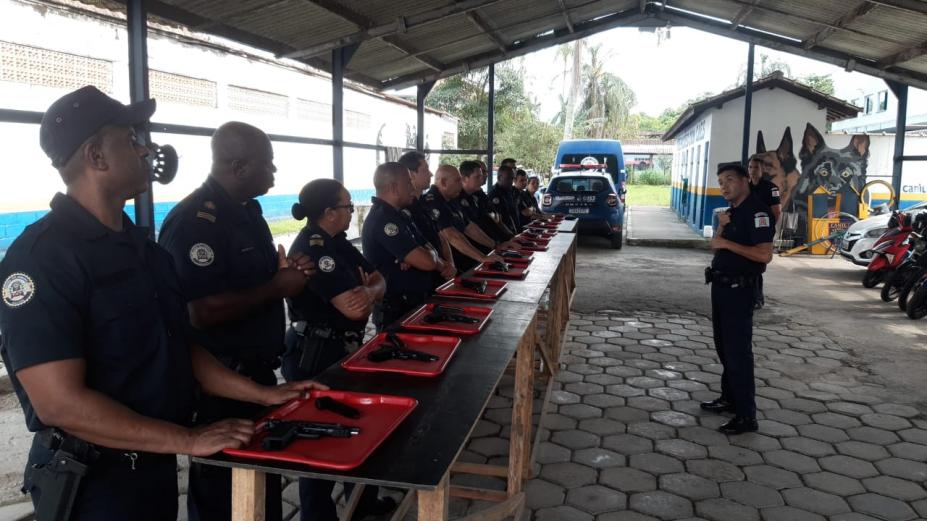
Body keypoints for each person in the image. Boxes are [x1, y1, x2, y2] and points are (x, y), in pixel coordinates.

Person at [0, 86, 324, 521]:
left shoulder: (142, 249)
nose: (147, 147)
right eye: (133, 138)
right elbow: (59, 404)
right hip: (93, 483)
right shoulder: (42, 259)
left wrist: (264, 393)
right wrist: (189, 440)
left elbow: (177, 345)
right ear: (97, 156)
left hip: (151, 463)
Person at [158, 121, 315, 521]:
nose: (275, 173)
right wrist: (275, 287)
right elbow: (201, 311)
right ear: (240, 166)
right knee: (223, 499)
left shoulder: (248, 213)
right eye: (269, 164)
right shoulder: (196, 221)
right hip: (219, 388)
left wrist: (284, 274)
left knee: (261, 492)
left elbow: (256, 282)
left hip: (257, 381)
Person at [283, 179, 393, 521]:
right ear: (329, 212)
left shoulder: (339, 243)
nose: (350, 211)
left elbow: (380, 279)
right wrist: (368, 290)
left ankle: (362, 507)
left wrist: (370, 290)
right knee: (318, 443)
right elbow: (354, 309)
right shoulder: (314, 248)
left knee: (357, 432)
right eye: (347, 206)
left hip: (343, 349)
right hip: (316, 354)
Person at [701, 163, 774, 435]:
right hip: (721, 288)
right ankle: (730, 398)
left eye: (730, 179)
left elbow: (764, 255)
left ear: (745, 181)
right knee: (724, 347)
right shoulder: (732, 213)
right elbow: (714, 245)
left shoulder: (758, 212)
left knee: (738, 353)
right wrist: (721, 230)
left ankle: (746, 416)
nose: (724, 185)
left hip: (739, 291)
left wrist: (726, 242)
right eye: (720, 181)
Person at [363, 162, 454, 330]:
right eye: (408, 183)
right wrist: (428, 257)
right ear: (394, 188)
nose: (412, 188)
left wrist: (426, 257)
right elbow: (427, 262)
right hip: (396, 311)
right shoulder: (384, 220)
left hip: (414, 303)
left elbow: (428, 247)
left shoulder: (402, 215)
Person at [422, 165, 505, 272]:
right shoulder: (433, 201)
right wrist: (482, 258)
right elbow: (451, 235)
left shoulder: (450, 199)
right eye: (457, 181)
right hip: (446, 267)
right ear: (443, 182)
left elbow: (469, 227)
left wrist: (495, 245)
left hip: (463, 261)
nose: (461, 185)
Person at [398, 151, 455, 278]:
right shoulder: (401, 210)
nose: (430, 174)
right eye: (425, 170)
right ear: (411, 175)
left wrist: (450, 264)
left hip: (441, 273)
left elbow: (441, 238)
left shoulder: (425, 203)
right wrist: (444, 266)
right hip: (422, 279)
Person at [747, 154, 782, 310]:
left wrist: (766, 231)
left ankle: (757, 298)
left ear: (763, 170)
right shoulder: (745, 186)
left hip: (761, 232)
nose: (752, 171)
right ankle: (747, 295)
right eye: (750, 167)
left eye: (756, 168)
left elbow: (776, 212)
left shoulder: (770, 188)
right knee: (745, 263)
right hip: (745, 231)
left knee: (756, 264)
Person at [458, 160, 514, 244]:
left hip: (491, 242)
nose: (483, 178)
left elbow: (496, 219)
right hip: (476, 247)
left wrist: (510, 237)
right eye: (478, 176)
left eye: (483, 174)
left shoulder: (478, 195)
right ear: (464, 178)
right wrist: (495, 245)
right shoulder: (457, 197)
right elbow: (469, 229)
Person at [488, 165, 521, 233]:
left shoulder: (509, 191)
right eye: (508, 178)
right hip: (504, 235)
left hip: (515, 231)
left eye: (512, 178)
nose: (511, 181)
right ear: (499, 178)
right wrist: (511, 235)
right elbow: (498, 221)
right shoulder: (494, 194)